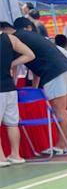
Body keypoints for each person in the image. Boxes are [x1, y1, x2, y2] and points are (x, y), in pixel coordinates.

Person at [13, 16, 67, 153]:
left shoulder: (14, 39)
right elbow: (36, 70)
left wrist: (13, 84)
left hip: (53, 73)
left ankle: (61, 146)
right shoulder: (35, 37)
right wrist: (35, 88)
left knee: (60, 110)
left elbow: (15, 68)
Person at [0, 21, 35, 167]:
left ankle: (1, 158)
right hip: (10, 88)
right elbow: (30, 55)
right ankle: (16, 155)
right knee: (12, 123)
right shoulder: (10, 38)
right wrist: (12, 64)